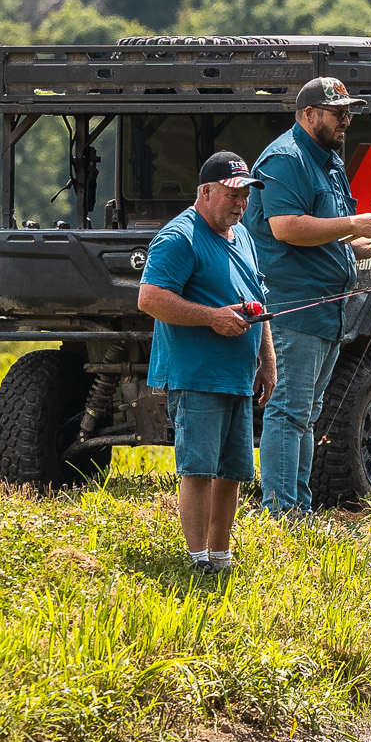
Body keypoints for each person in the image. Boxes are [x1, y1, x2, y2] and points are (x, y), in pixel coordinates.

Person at [246, 76, 371, 516]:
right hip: (293, 307)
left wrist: (368, 245)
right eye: (338, 113)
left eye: (349, 113)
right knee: (288, 410)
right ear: (309, 114)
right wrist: (354, 224)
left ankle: (298, 508)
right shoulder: (286, 159)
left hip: (328, 311)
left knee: (307, 413)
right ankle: (280, 510)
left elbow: (331, 235)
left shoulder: (327, 160)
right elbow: (286, 226)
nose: (346, 121)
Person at [135, 149, 275, 574]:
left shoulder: (244, 236)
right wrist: (211, 318)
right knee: (197, 469)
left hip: (237, 375)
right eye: (233, 194)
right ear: (206, 191)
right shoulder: (179, 237)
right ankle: (196, 560)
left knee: (232, 471)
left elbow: (257, 300)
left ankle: (220, 555)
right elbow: (150, 298)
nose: (241, 203)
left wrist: (267, 358)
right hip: (196, 375)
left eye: (246, 194)